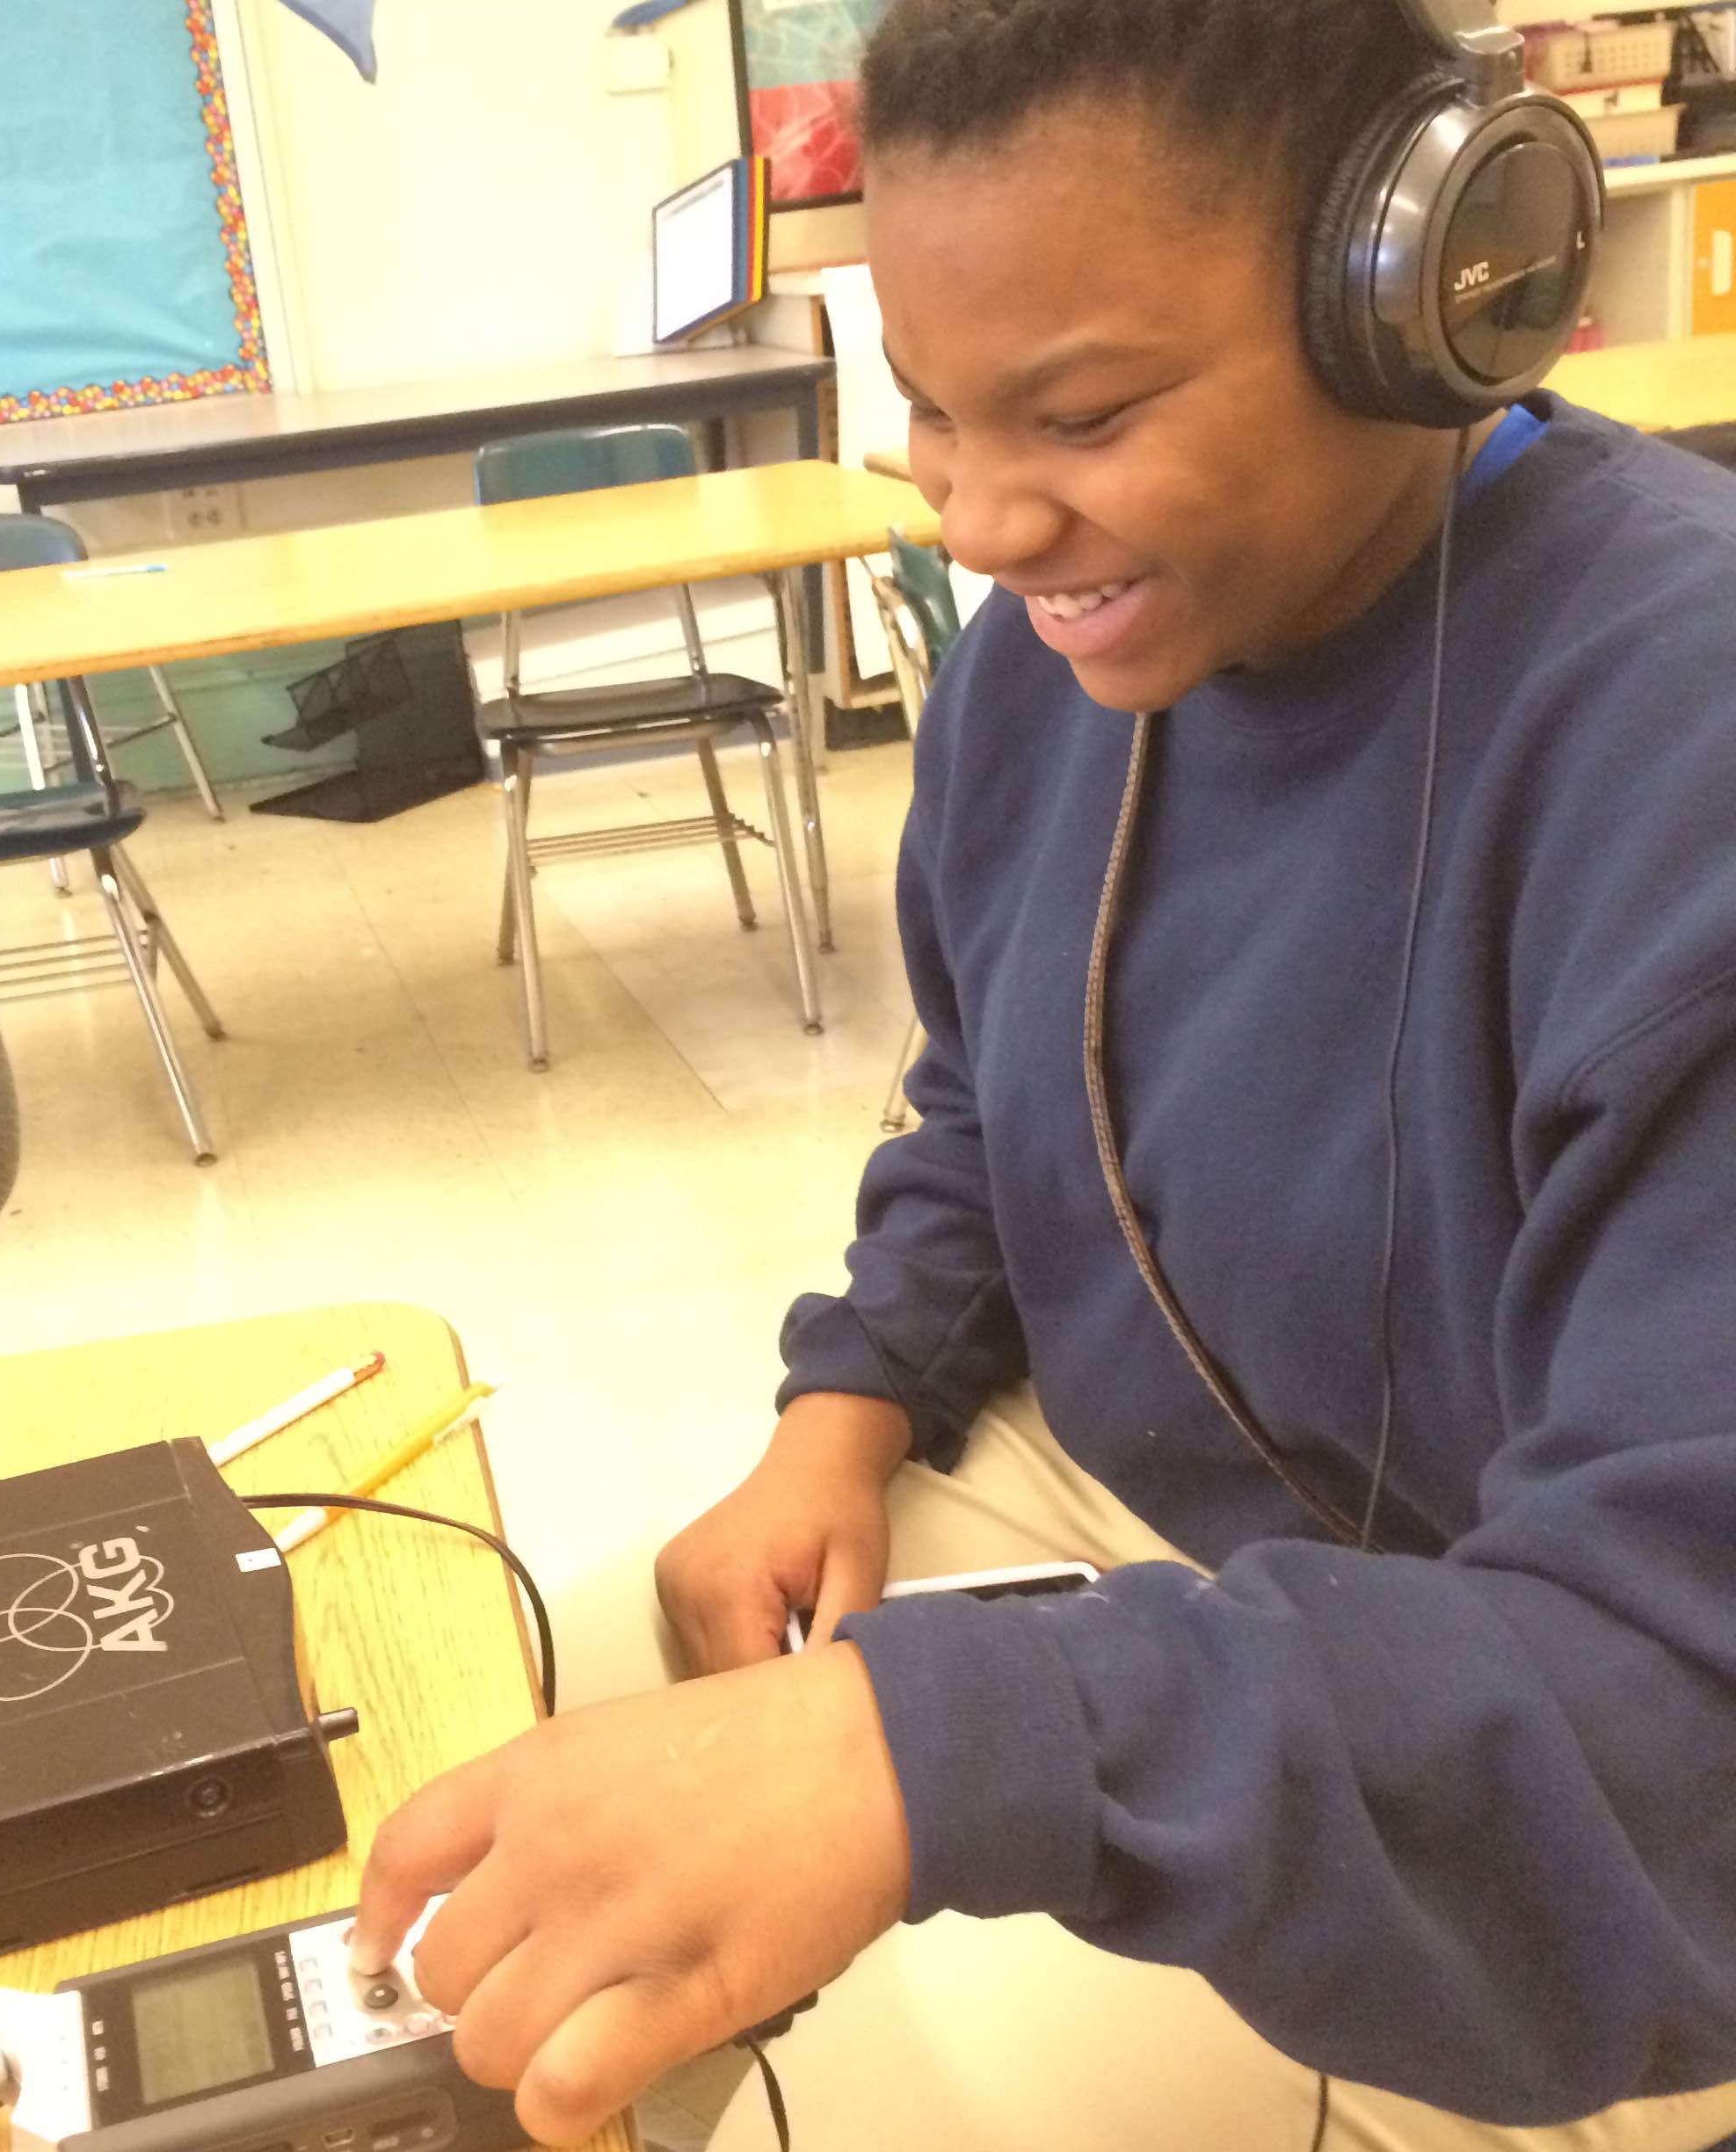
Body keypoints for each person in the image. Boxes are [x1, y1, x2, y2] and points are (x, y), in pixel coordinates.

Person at [350, 1, 1736, 2144]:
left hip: (1527, 1789)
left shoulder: (1680, 750)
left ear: (1423, 295)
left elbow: (1681, 1730)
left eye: (1081, 415)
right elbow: (995, 1095)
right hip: (1119, 1570)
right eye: (926, 410)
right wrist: (851, 1407)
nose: (984, 523)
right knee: (527, 1834)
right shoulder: (1056, 666)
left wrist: (951, 1747)